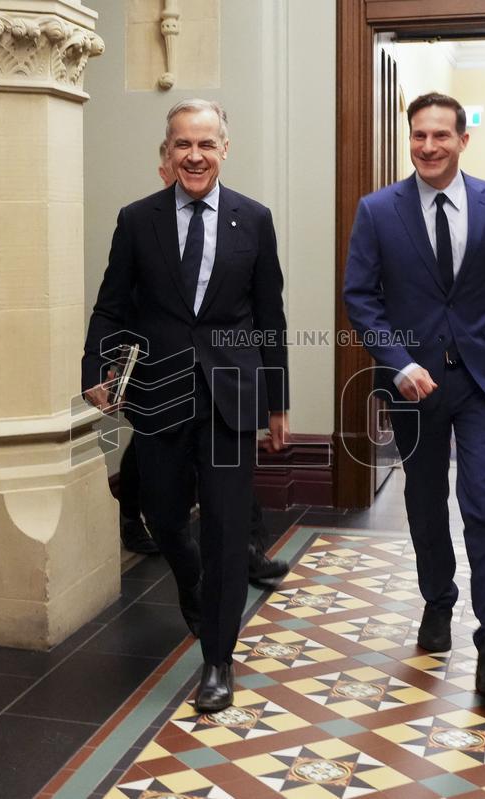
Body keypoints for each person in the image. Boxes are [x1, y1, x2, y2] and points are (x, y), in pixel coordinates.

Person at [83, 100, 289, 712]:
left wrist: (276, 403)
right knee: (164, 514)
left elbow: (270, 319)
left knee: (228, 530)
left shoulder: (254, 220)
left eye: (206, 144)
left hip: (232, 397)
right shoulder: (136, 219)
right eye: (182, 145)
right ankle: (193, 586)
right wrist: (97, 366)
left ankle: (217, 660)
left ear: (225, 149)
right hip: (160, 393)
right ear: (167, 153)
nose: (194, 155)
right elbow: (111, 305)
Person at [343, 92, 485, 695]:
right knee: (426, 500)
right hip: (414, 385)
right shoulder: (379, 210)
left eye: (440, 136)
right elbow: (361, 298)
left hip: (484, 379)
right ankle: (438, 599)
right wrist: (398, 363)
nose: (428, 147)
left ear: (462, 140)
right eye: (419, 136)